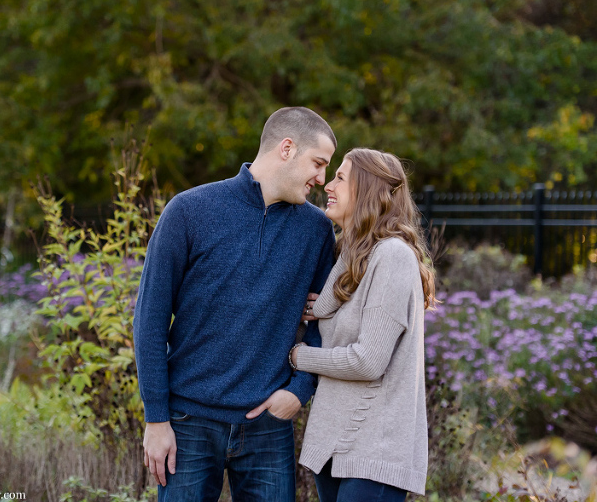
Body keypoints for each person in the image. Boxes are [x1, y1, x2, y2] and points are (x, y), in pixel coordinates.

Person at [133, 107, 338, 502]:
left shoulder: (316, 230)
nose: (322, 179)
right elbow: (150, 321)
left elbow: (323, 321)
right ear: (287, 148)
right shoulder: (189, 211)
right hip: (188, 421)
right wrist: (156, 418)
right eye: (318, 163)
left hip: (268, 424)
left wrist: (300, 389)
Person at [290, 147, 437, 502]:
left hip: (375, 452)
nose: (327, 185)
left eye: (340, 177)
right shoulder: (351, 256)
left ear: (368, 189)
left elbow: (368, 361)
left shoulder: (393, 256)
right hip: (335, 448)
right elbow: (327, 311)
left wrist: (298, 357)